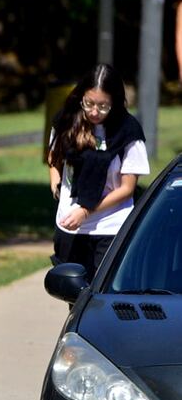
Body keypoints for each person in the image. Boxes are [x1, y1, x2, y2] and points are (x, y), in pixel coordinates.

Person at [47, 63, 148, 281]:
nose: (94, 112)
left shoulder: (128, 130)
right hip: (70, 227)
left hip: (110, 227)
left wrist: (85, 211)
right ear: (81, 97)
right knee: (73, 297)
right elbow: (54, 159)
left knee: (102, 295)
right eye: (89, 103)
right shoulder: (66, 121)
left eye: (103, 106)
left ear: (115, 102)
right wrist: (56, 189)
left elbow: (127, 189)